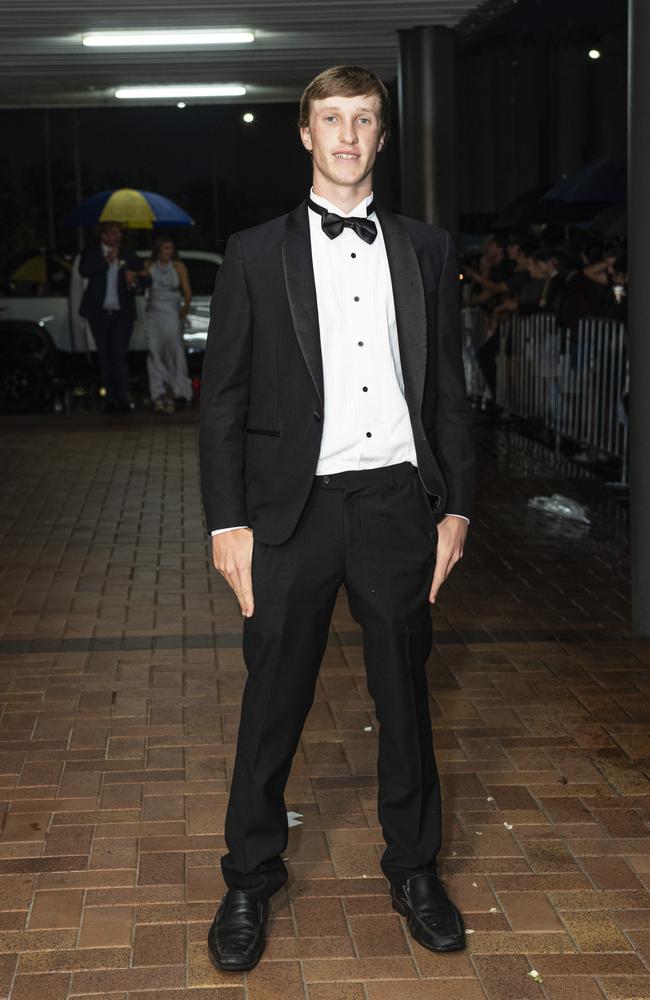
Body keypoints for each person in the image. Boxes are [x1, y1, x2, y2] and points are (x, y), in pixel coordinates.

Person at [199, 65, 475, 973]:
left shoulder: (427, 249)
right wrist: (225, 520)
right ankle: (249, 875)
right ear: (306, 135)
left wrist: (457, 505)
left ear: (383, 137)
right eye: (331, 119)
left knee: (405, 700)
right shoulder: (253, 253)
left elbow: (447, 390)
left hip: (397, 502)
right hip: (292, 510)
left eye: (364, 119)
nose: (348, 135)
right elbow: (223, 399)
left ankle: (414, 868)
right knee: (272, 700)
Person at [78, 222, 149, 413]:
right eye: (113, 233)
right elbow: (83, 270)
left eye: (119, 233)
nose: (117, 237)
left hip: (122, 314)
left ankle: (123, 400)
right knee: (104, 357)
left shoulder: (127, 253)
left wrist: (134, 278)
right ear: (103, 236)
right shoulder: (92, 252)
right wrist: (107, 260)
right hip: (99, 314)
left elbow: (145, 277)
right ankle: (110, 400)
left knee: (119, 355)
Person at [143, 237, 193, 412]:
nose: (169, 251)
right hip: (154, 313)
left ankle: (173, 393)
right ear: (158, 249)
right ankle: (157, 395)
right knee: (155, 353)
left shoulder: (178, 266)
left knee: (173, 352)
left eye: (171, 248)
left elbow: (187, 292)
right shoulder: (149, 265)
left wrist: (185, 307)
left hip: (171, 312)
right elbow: (144, 289)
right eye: (165, 248)